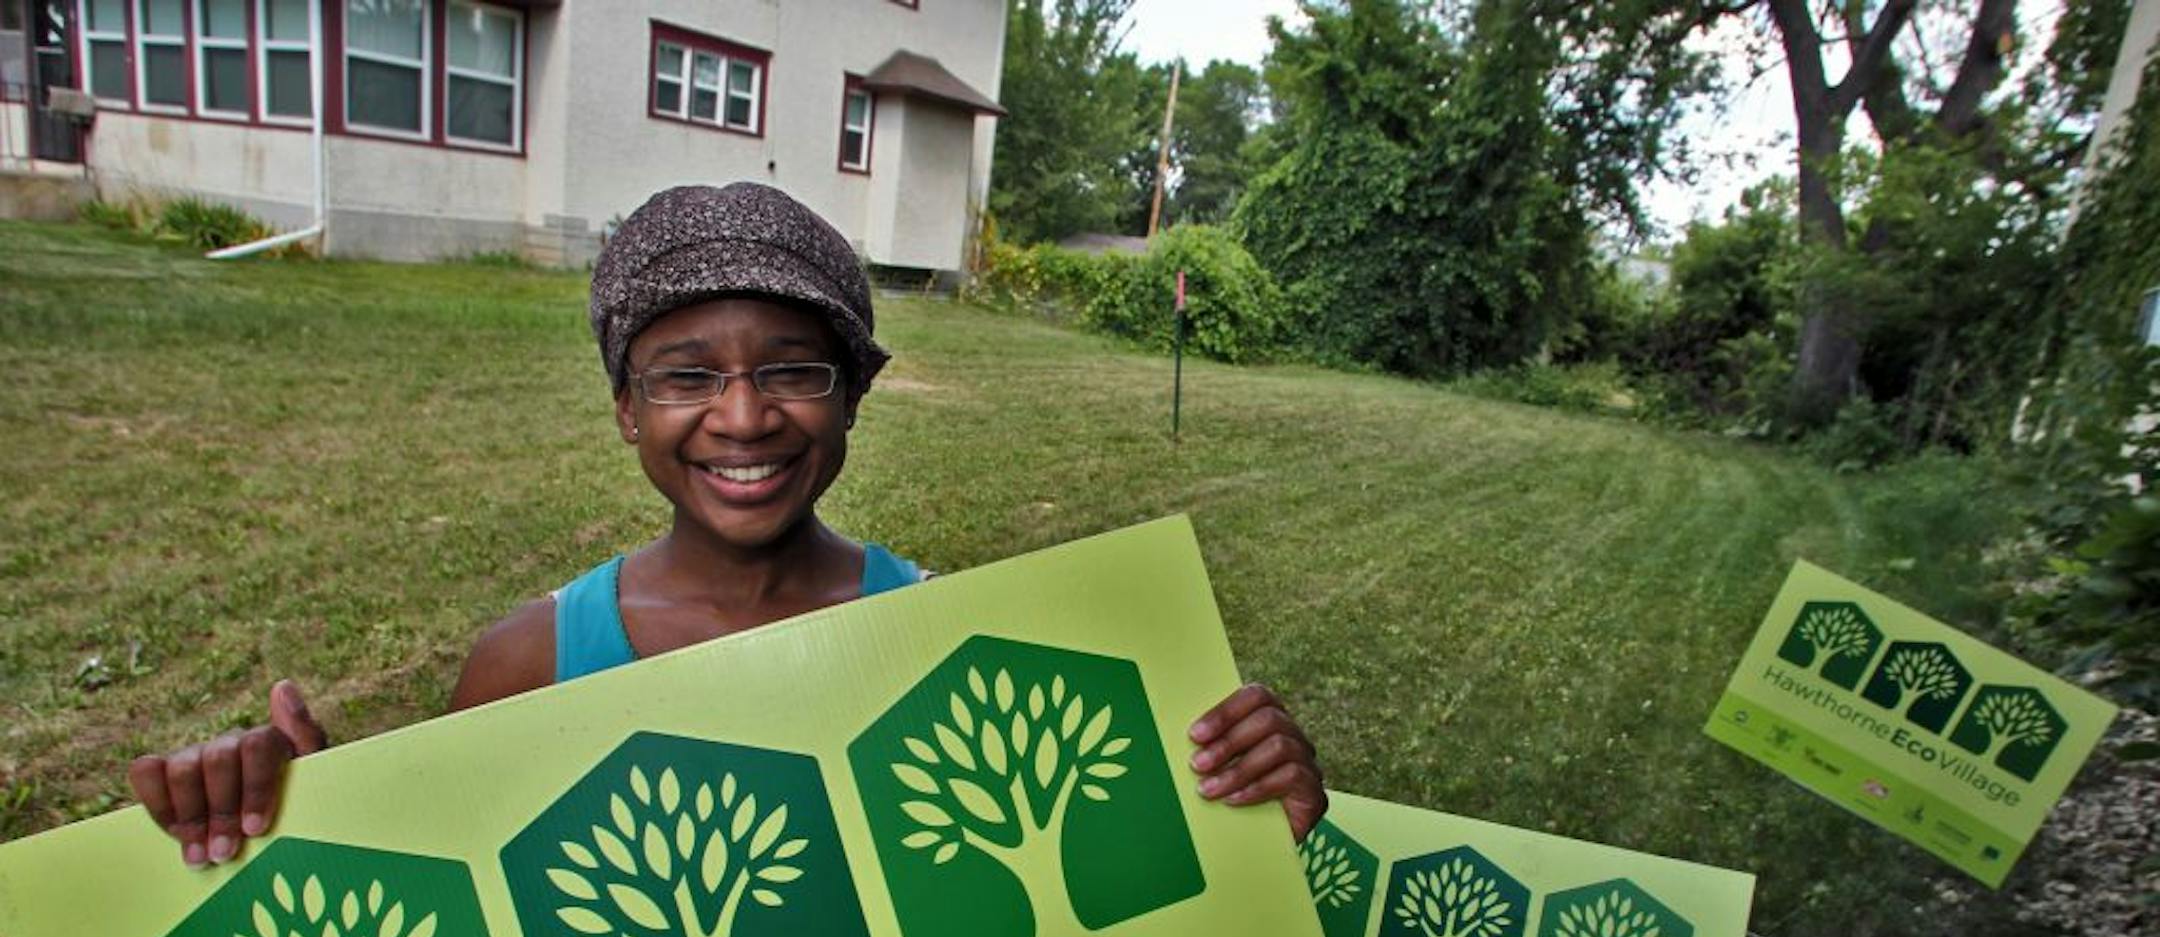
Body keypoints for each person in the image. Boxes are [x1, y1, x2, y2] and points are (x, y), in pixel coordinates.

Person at [127, 182, 1326, 865]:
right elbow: (463, 904)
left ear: (853, 392)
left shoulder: (947, 638)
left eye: (793, 369)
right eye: (686, 376)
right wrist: (296, 818)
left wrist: (1242, 792)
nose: (743, 416)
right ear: (624, 409)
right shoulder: (527, 664)